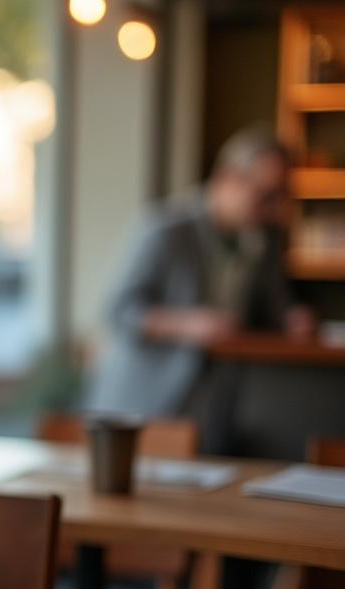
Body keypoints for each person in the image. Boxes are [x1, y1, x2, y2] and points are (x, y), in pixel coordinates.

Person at [86, 126, 315, 428]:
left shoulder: (265, 240)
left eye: (282, 197)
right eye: (266, 196)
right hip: (143, 405)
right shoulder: (165, 229)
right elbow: (118, 312)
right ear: (228, 179)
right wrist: (187, 324)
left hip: (212, 410)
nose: (276, 210)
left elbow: (271, 305)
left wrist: (290, 317)